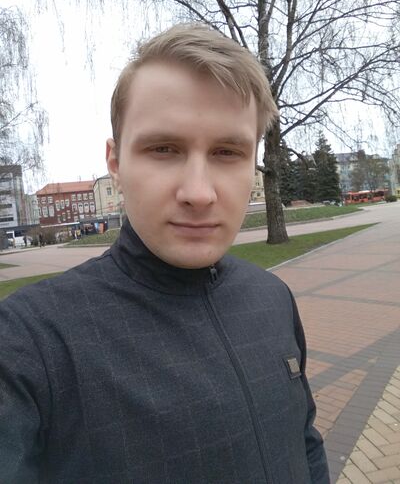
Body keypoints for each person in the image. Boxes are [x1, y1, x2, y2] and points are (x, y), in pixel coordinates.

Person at [0, 24, 329, 483]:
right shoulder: (29, 342)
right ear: (116, 163)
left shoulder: (272, 297)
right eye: (163, 149)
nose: (199, 193)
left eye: (227, 152)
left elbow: (305, 441)